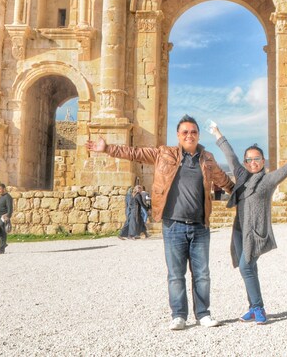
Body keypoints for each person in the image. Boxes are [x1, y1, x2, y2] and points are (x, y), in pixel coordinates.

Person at [86, 115, 234, 330]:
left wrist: (246, 193)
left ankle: (203, 314)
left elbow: (225, 182)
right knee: (175, 275)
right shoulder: (164, 154)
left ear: (198, 135)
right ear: (178, 135)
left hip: (200, 225)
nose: (189, 135)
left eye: (193, 132)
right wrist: (108, 148)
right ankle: (178, 315)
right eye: (185, 132)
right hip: (173, 224)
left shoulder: (208, 159)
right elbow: (135, 153)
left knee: (202, 274)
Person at [209, 123, 287, 325]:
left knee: (245, 267)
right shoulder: (241, 176)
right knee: (250, 268)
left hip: (255, 233)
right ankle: (252, 307)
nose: (252, 162)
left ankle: (258, 308)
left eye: (256, 159)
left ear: (263, 160)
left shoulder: (268, 180)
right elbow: (229, 155)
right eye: (248, 159)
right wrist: (217, 133)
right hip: (239, 231)